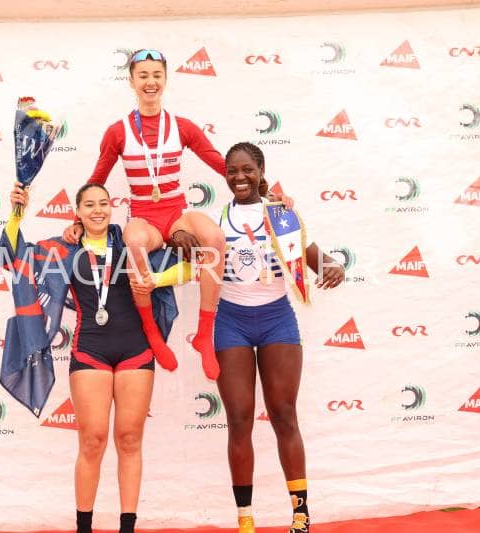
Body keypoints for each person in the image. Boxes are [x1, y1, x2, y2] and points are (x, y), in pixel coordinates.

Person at [134, 143, 343, 532]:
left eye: (247, 169)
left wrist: (335, 267)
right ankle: (245, 519)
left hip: (277, 319)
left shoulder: (281, 215)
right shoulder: (218, 222)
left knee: (284, 414)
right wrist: (175, 246)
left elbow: (318, 259)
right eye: (232, 171)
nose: (240, 177)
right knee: (240, 418)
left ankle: (300, 515)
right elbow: (186, 250)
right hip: (231, 321)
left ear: (261, 170)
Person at [63, 49, 291, 381]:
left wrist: (269, 194)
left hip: (175, 213)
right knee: (134, 243)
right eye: (143, 75)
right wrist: (76, 221)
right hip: (144, 215)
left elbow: (221, 164)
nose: (150, 82)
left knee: (214, 238)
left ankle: (204, 335)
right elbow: (98, 177)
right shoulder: (118, 132)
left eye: (157, 75)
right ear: (131, 82)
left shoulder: (181, 127)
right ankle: (152, 334)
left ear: (165, 80)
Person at [4, 181, 185, 533]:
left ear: (111, 207)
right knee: (92, 441)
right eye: (89, 205)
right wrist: (17, 213)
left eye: (103, 203)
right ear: (78, 212)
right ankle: (84, 528)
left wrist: (157, 279)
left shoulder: (132, 241)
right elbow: (13, 257)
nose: (98, 210)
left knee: (129, 439)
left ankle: (127, 528)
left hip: (136, 350)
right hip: (90, 350)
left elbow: (191, 265)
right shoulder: (65, 249)